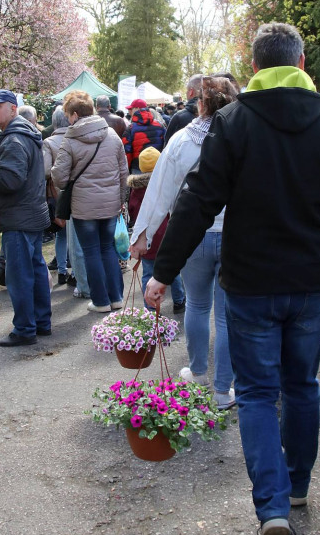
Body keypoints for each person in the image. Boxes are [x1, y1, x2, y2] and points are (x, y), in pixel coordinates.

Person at [143, 23, 320, 535]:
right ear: (300, 60)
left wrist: (163, 271)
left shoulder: (233, 123)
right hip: (308, 285)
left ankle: (273, 506)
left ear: (255, 67)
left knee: (255, 393)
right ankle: (296, 487)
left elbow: (198, 201)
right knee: (301, 386)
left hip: (250, 283)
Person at [130, 77, 238, 410]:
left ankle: (198, 372)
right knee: (225, 315)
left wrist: (141, 233)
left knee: (197, 304)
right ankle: (223, 391)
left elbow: (160, 189)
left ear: (199, 103)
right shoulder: (242, 135)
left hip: (192, 235)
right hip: (235, 235)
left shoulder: (180, 140)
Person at [0, 89, 51, 346]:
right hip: (28, 214)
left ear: (13, 109)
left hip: (19, 217)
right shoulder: (20, 135)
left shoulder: (15, 139)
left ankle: (25, 329)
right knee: (35, 270)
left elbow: (11, 179)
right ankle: (40, 323)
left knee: (20, 275)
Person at [51, 90, 128, 313]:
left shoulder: (71, 139)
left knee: (91, 252)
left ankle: (101, 301)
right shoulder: (112, 135)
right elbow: (123, 172)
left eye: (67, 115)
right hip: (110, 204)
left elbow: (60, 177)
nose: (67, 119)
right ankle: (116, 298)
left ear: (74, 114)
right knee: (108, 250)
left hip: (84, 207)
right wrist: (120, 199)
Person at [127, 146, 186, 313]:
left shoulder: (136, 190)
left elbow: (133, 212)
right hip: (167, 238)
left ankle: (150, 307)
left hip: (147, 240)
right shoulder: (167, 185)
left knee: (147, 273)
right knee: (172, 271)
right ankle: (179, 300)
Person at [43, 107, 89, 295]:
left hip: (58, 195)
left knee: (62, 236)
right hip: (80, 194)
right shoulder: (78, 139)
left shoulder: (49, 142)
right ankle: (77, 275)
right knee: (78, 238)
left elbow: (45, 171)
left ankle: (62, 271)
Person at [122, 99, 165, 173]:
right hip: (158, 167)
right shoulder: (160, 125)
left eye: (130, 109)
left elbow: (127, 152)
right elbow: (166, 146)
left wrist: (127, 170)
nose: (129, 112)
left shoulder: (130, 129)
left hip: (137, 168)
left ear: (137, 109)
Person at [164, 75, 201, 145]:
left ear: (191, 92)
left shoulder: (179, 117)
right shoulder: (216, 115)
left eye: (187, 90)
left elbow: (167, 148)